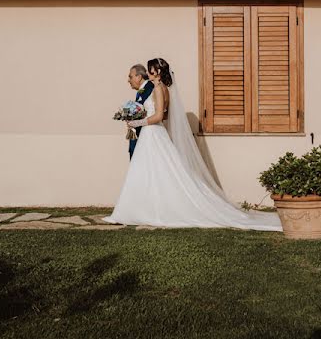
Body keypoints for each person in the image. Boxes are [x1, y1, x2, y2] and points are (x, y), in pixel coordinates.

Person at [104, 58, 281, 231]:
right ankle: (146, 206)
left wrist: (137, 123)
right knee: (155, 171)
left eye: (150, 71)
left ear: (157, 72)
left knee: (151, 171)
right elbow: (164, 116)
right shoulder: (165, 89)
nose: (148, 74)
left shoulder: (158, 88)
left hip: (152, 133)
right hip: (156, 133)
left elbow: (158, 116)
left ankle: (144, 209)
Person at [126, 64, 154, 160]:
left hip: (147, 137)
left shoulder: (150, 88)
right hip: (138, 136)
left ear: (139, 77)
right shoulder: (141, 90)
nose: (128, 80)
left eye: (130, 77)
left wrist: (135, 120)